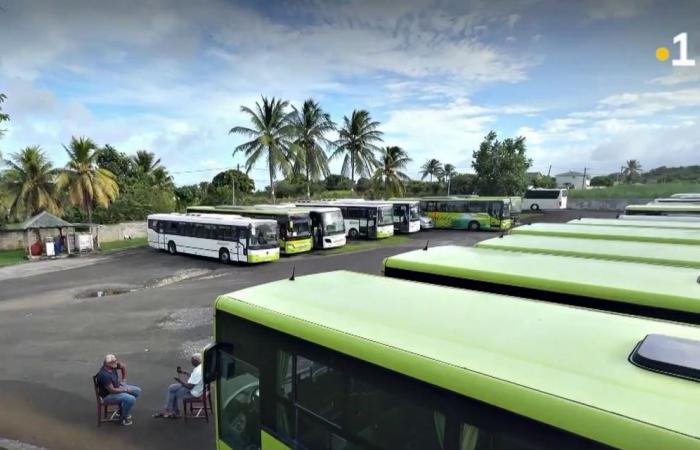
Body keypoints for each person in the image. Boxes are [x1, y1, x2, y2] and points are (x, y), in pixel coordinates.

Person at [96, 354, 142, 426]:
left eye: (115, 361)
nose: (115, 363)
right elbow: (112, 390)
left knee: (137, 391)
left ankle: (122, 411)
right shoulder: (104, 375)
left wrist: (124, 380)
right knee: (131, 399)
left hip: (117, 387)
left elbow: (123, 366)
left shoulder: (113, 366)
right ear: (107, 364)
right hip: (108, 395)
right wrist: (125, 390)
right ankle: (123, 418)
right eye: (113, 362)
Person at [154, 353, 203, 419]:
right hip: (195, 387)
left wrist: (179, 381)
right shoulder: (200, 367)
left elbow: (189, 387)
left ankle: (171, 411)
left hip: (193, 392)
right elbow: (193, 376)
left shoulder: (198, 371)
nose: (191, 362)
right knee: (172, 388)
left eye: (192, 360)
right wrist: (183, 372)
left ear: (195, 360)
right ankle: (172, 411)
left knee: (174, 393)